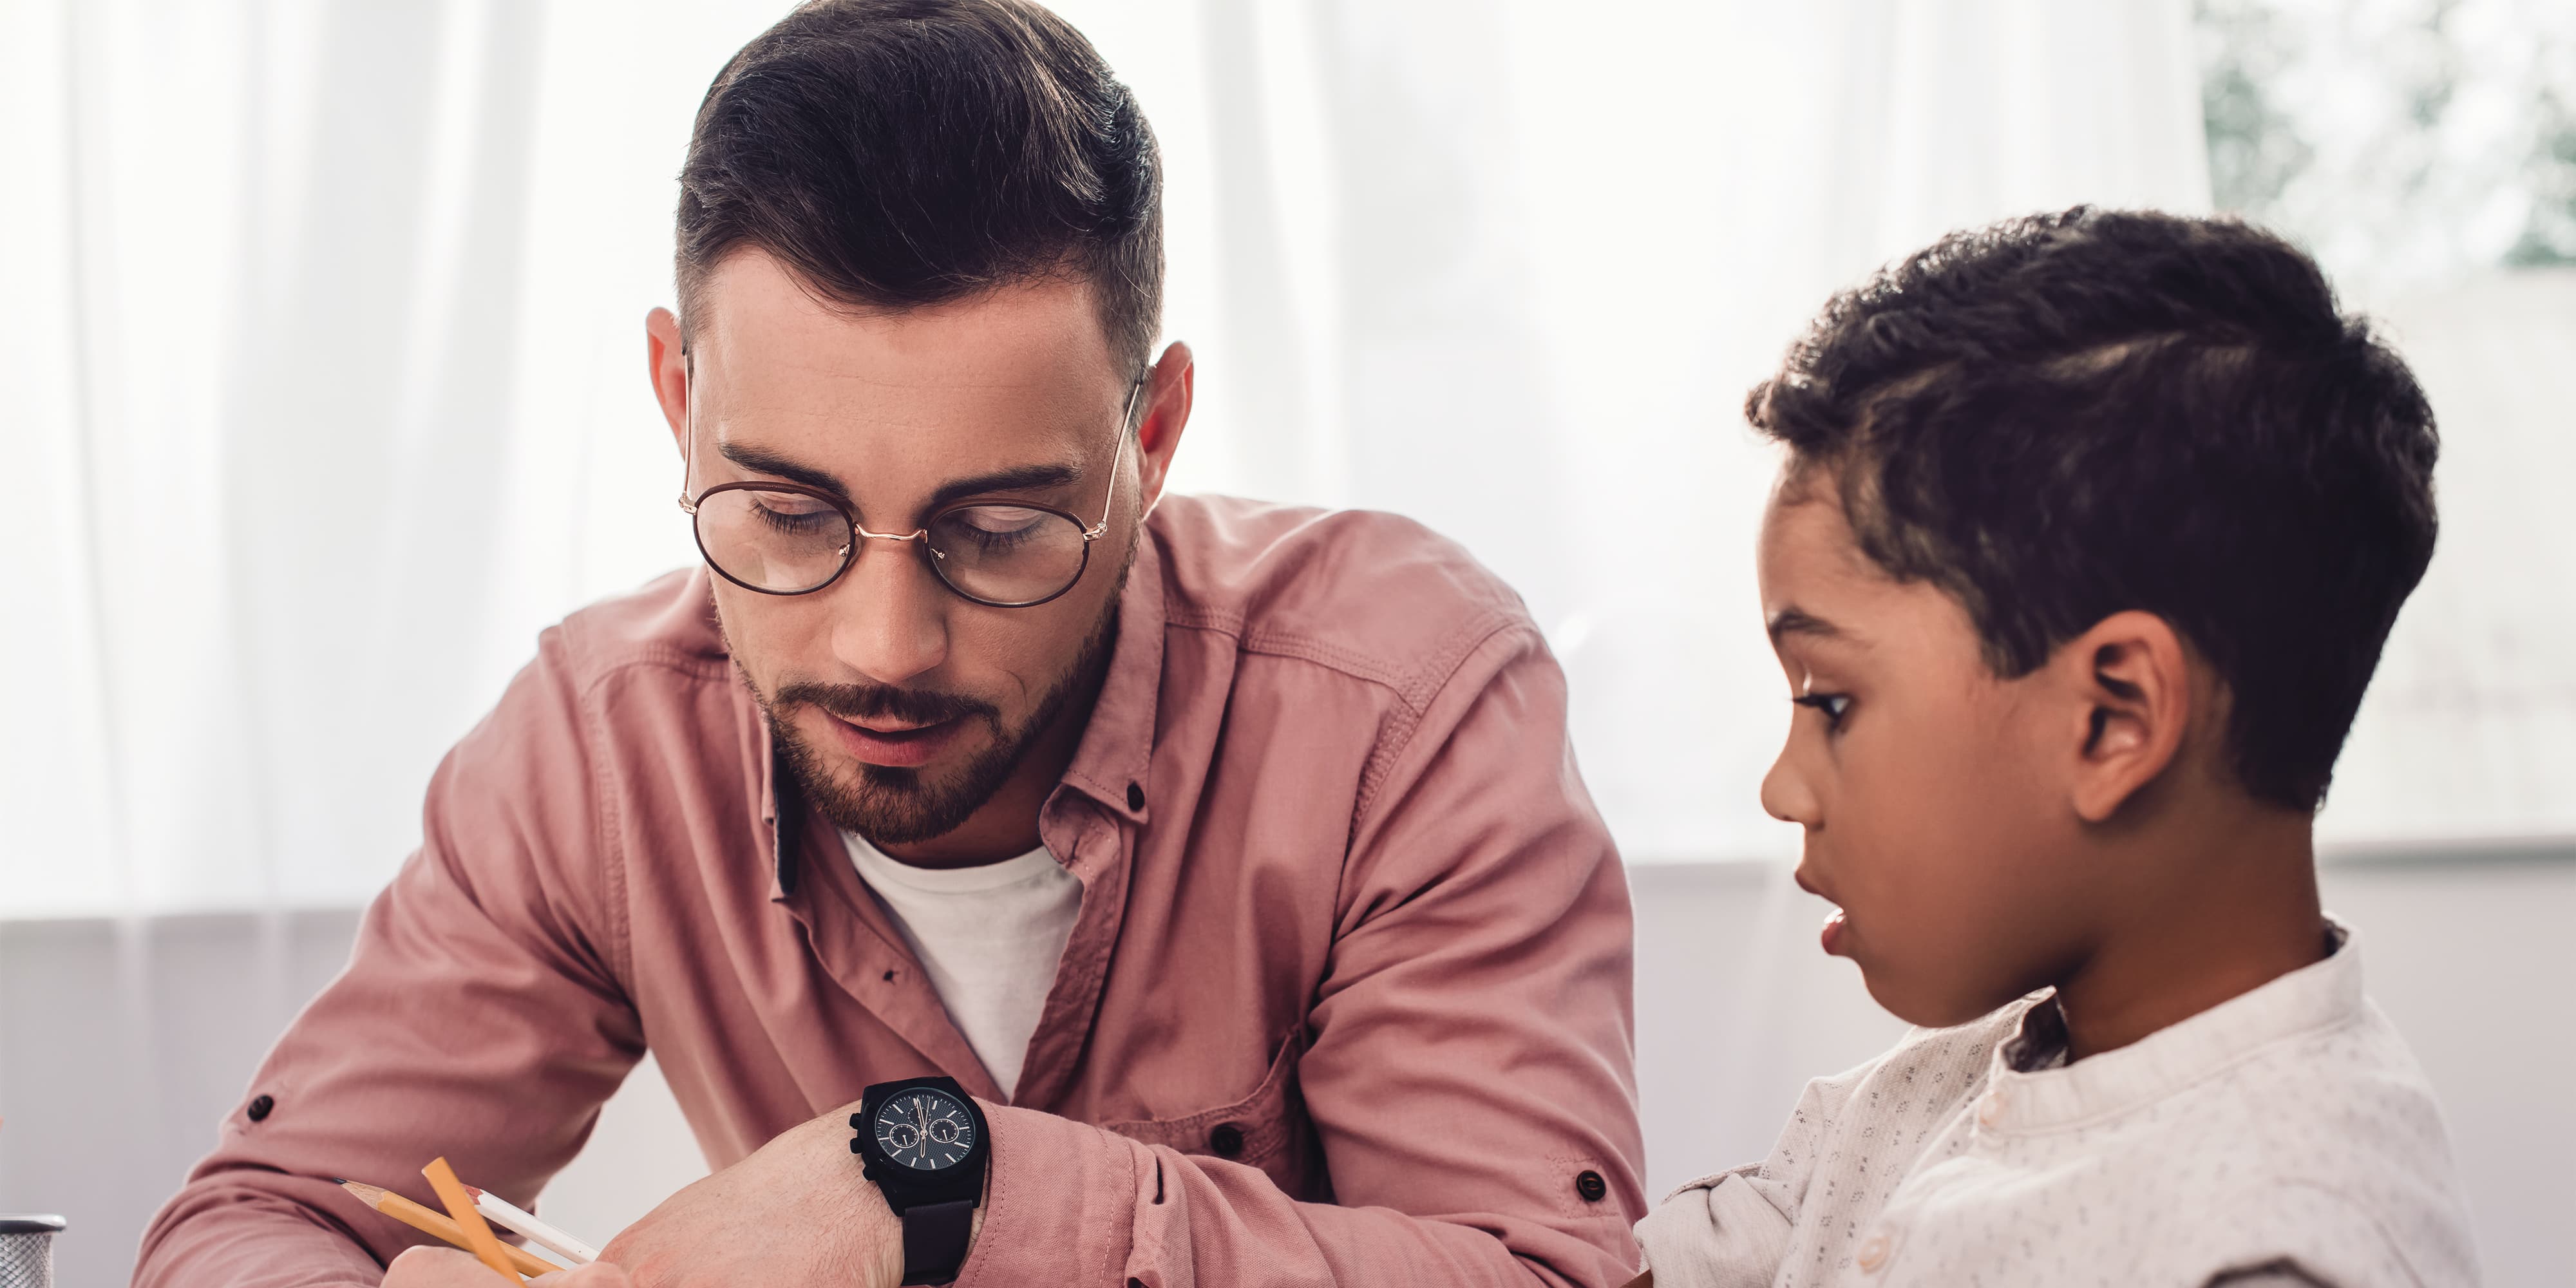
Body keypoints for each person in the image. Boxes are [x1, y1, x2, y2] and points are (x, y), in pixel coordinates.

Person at [132, 3, 1645, 1285]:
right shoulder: (597, 749)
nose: (884, 644)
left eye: (998, 529)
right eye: (785, 513)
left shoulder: (1405, 702)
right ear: (676, 399)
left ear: (1154, 433)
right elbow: (254, 1223)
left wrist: (944, 1186)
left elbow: (1537, 1272)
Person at [1630, 209, 2478, 1287]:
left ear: (2113, 719)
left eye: (1829, 701)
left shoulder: (2276, 1244)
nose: (1782, 786)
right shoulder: (1929, 1091)